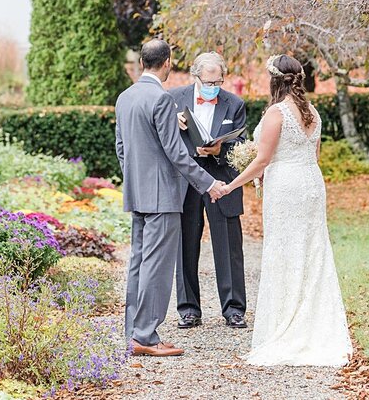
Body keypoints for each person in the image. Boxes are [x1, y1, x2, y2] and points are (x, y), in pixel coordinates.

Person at [220, 54, 354, 366]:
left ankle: (287, 325)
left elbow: (263, 159)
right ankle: (314, 321)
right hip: (310, 183)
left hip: (286, 188)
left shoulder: (276, 113)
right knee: (312, 250)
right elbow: (314, 155)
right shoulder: (313, 113)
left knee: (284, 252)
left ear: (274, 80)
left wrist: (232, 184)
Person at [114, 39, 226, 357]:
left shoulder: (125, 98)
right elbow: (177, 154)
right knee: (158, 267)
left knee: (138, 263)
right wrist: (209, 184)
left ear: (141, 63)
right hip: (163, 195)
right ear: (166, 63)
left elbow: (122, 148)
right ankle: (147, 336)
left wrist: (136, 180)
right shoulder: (161, 99)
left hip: (137, 193)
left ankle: (133, 334)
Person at [170, 52, 248, 329]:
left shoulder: (235, 103)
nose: (213, 85)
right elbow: (162, 139)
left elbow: (242, 146)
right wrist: (173, 124)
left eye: (218, 80)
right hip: (186, 180)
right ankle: (189, 309)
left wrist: (219, 149)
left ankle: (234, 309)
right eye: (209, 81)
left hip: (221, 181)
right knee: (185, 244)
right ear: (196, 76)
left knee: (228, 245)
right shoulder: (173, 99)